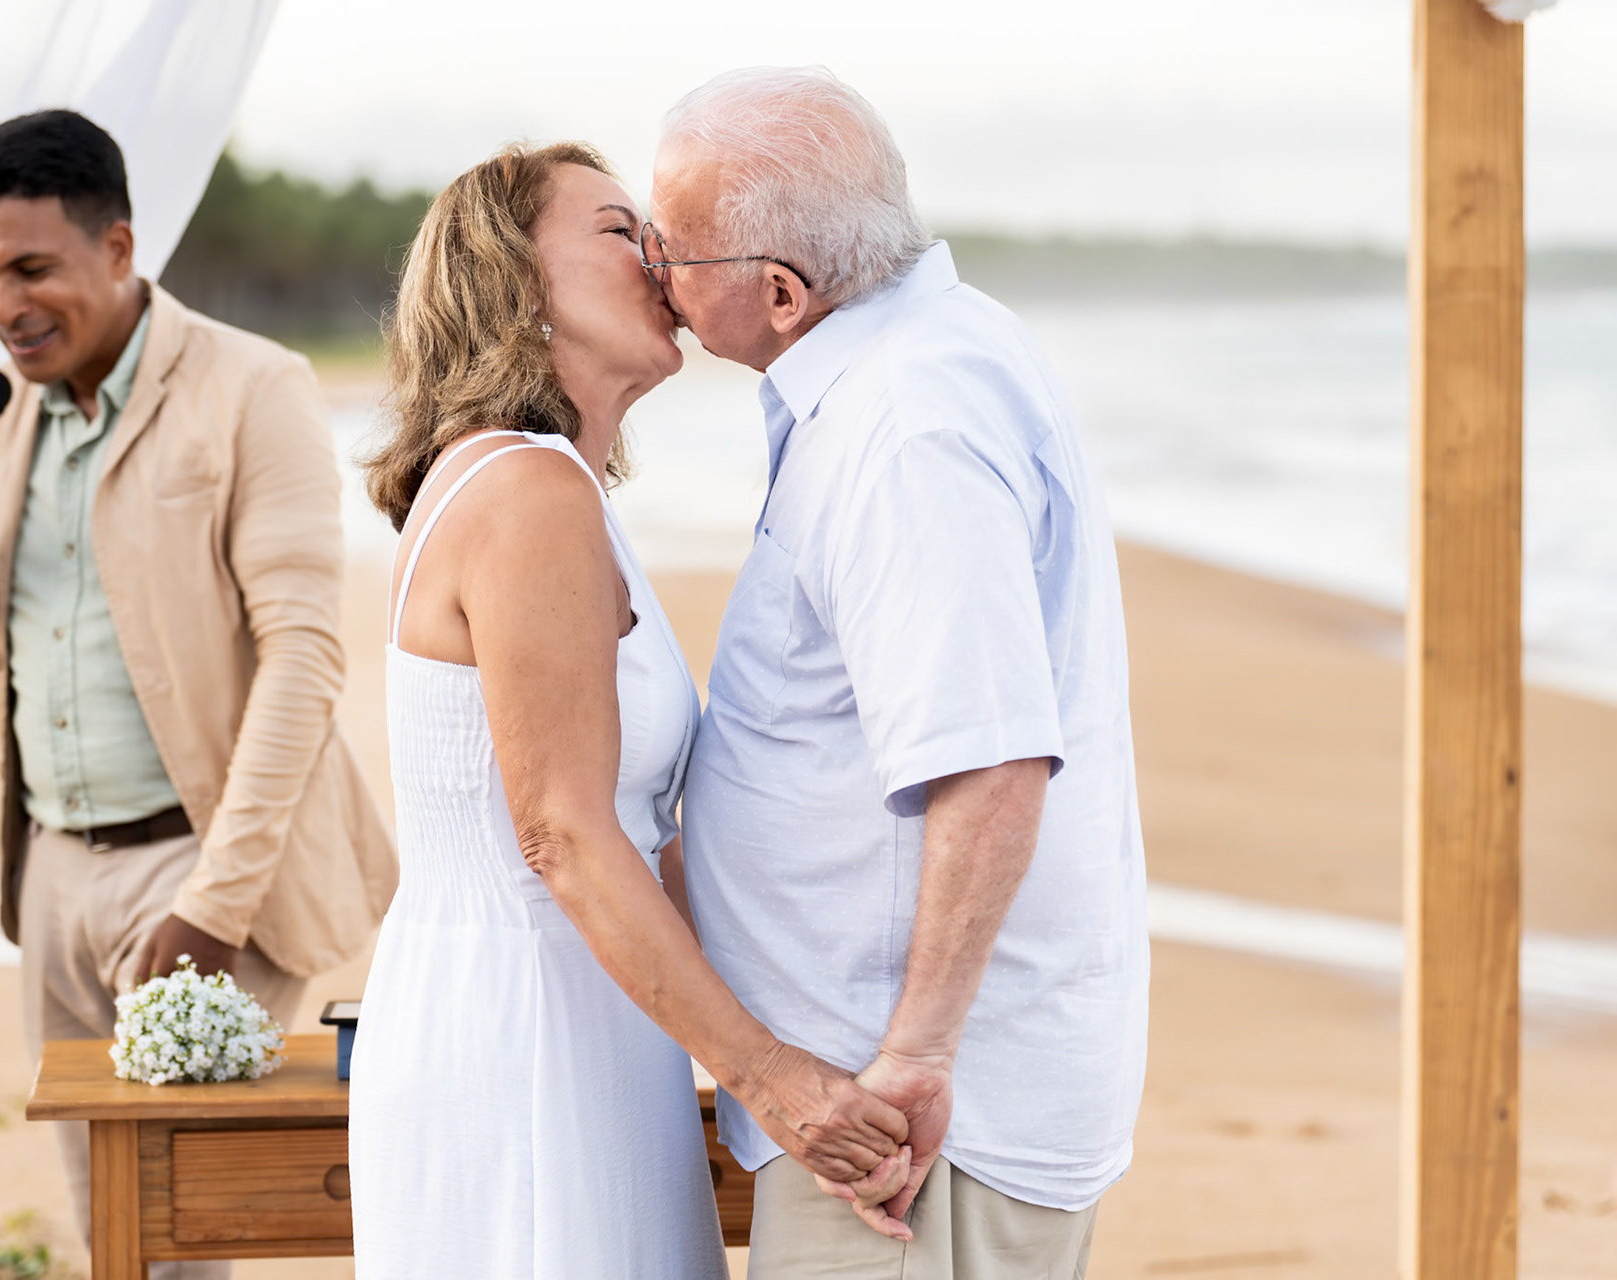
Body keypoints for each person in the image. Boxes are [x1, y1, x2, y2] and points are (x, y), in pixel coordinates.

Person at [345, 142, 912, 1279]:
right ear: (512, 279)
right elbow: (562, 830)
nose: (658, 253)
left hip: (567, 1001)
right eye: (617, 229)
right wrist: (770, 1077)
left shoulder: (545, 484)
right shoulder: (526, 490)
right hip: (530, 1023)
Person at [648, 69, 1150, 1277]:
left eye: (673, 247)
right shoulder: (905, 361)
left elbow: (990, 760)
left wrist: (915, 1056)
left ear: (777, 291)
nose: (653, 269)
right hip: (897, 1100)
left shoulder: (902, 421)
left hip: (911, 1132)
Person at [0, 109, 396, 1277]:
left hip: (204, 866)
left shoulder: (253, 389)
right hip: (52, 875)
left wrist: (215, 903)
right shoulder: (3, 418)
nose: (1, 305)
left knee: (178, 1237)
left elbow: (304, 659)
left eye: (29, 269)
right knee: (107, 1225)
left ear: (117, 248)